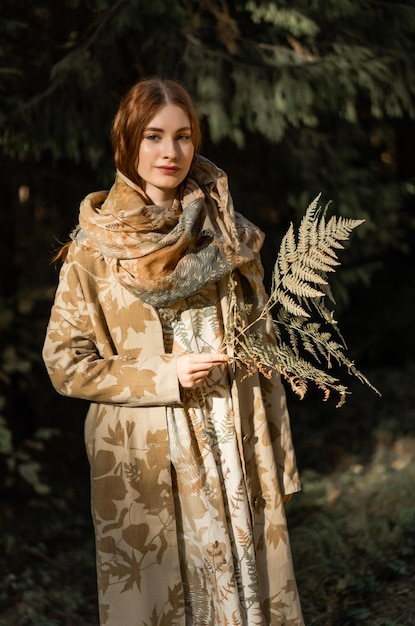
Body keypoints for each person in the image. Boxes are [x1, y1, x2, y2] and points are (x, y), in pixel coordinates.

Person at [43, 77, 305, 626]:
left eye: (183, 136)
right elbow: (65, 364)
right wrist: (165, 374)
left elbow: (264, 343)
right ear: (128, 142)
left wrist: (275, 449)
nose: (171, 152)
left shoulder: (228, 233)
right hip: (150, 457)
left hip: (229, 438)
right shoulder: (94, 249)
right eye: (154, 136)